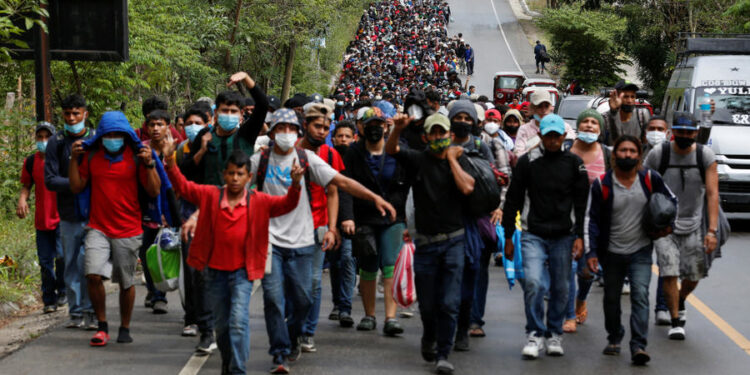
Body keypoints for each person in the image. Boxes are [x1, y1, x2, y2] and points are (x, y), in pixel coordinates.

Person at [250, 108, 395, 373]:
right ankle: (280, 353)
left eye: (290, 129)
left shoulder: (308, 159)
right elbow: (233, 188)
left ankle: (294, 336)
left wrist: (374, 198)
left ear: (298, 132)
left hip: (304, 242)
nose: (285, 134)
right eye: (280, 129)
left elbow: (341, 183)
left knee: (305, 298)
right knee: (272, 298)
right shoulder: (259, 161)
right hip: (269, 242)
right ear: (271, 132)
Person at [165, 148, 303, 375]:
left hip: (242, 273)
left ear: (249, 177)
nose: (235, 178)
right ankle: (228, 365)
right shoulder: (210, 196)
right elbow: (184, 187)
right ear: (224, 175)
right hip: (214, 273)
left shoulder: (259, 201)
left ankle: (237, 370)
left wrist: (296, 185)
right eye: (231, 174)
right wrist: (170, 163)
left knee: (238, 323)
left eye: (240, 174)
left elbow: (287, 204)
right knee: (223, 327)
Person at [387, 112, 476, 375]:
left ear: (450, 135)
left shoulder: (459, 159)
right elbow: (392, 149)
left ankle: (443, 353)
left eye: (442, 133)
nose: (438, 138)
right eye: (433, 133)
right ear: (426, 136)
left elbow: (468, 188)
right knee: (427, 304)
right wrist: (397, 129)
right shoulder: (418, 159)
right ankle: (429, 335)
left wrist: (451, 160)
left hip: (454, 241)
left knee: (449, 302)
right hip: (425, 244)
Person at [68, 111, 162, 346]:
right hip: (97, 227)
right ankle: (102, 325)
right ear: (100, 136)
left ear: (125, 135)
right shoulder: (92, 157)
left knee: (126, 282)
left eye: (117, 134)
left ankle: (125, 326)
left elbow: (154, 191)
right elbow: (77, 187)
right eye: (107, 134)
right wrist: (72, 159)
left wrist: (150, 164)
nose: (112, 138)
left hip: (129, 229)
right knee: (92, 274)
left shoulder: (137, 157)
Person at [502, 114, 588, 359]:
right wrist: (509, 237)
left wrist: (581, 236)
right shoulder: (527, 163)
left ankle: (554, 334)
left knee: (561, 287)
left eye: (556, 136)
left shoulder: (574, 164)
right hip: (533, 234)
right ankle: (535, 333)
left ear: (563, 136)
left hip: (564, 236)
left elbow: (582, 205)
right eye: (547, 135)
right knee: (534, 283)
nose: (552, 140)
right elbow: (513, 200)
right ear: (540, 135)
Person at [585, 135, 676, 365]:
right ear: (615, 155)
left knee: (640, 296)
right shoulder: (602, 184)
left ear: (639, 155)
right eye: (623, 150)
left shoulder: (650, 179)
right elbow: (591, 219)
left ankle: (638, 346)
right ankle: (614, 337)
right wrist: (591, 252)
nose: (627, 155)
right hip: (611, 252)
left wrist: (666, 226)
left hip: (641, 251)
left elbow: (671, 201)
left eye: (632, 151)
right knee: (612, 299)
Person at [643, 112, 719, 341]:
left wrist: (712, 231)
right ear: (672, 132)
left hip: (694, 223)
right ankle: (676, 320)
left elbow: (713, 193)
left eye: (689, 132)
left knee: (694, 274)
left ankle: (681, 298)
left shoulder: (705, 155)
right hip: (665, 225)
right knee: (669, 271)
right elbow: (643, 182)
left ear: (696, 133)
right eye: (680, 132)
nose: (685, 136)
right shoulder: (660, 153)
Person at [342, 107, 411, 336]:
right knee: (368, 267)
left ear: (385, 126)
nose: (374, 129)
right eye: (370, 125)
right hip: (364, 217)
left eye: (379, 125)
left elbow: (410, 184)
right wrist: (348, 217)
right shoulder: (353, 153)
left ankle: (391, 317)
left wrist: (408, 217)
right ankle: (369, 314)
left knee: (391, 265)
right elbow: (345, 186)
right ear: (361, 127)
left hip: (394, 217)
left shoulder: (397, 151)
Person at [44, 94, 96, 330]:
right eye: (68, 114)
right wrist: (77, 183)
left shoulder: (96, 139)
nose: (72, 118)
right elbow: (50, 180)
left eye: (76, 113)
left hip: (94, 213)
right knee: (71, 264)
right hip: (67, 215)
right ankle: (75, 313)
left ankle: (91, 311)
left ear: (85, 114)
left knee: (90, 264)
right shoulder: (56, 142)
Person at [298, 103, 347, 353]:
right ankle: (292, 325)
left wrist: (332, 226)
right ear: (305, 125)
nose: (322, 131)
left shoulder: (330, 154)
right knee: (290, 281)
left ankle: (307, 331)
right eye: (317, 126)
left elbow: (333, 192)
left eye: (326, 128)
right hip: (289, 229)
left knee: (315, 281)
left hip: (318, 226)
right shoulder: (288, 150)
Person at [175, 107, 218, 353]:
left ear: (208, 123)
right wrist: (201, 149)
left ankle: (213, 319)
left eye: (197, 122)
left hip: (216, 218)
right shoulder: (183, 149)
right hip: (188, 217)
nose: (192, 126)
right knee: (193, 272)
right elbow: (183, 175)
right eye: (188, 123)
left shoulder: (219, 145)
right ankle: (193, 319)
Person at [565, 109, 610, 332]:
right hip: (567, 218)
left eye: (594, 123)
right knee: (566, 268)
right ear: (578, 126)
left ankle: (581, 298)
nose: (590, 126)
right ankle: (568, 314)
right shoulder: (566, 149)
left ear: (600, 130)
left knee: (587, 271)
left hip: (595, 221)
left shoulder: (607, 154)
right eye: (586, 122)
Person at [18, 122, 65, 313]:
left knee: (62, 256)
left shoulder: (62, 160)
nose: (43, 141)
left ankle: (63, 290)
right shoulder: (30, 161)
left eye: (47, 137)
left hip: (62, 218)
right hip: (42, 220)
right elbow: (26, 186)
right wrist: (22, 200)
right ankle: (49, 299)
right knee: (45, 262)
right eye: (40, 137)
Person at [139, 109, 172, 314]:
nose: (156, 128)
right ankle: (152, 289)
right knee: (146, 252)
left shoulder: (174, 150)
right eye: (152, 125)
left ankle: (161, 295)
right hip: (145, 208)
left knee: (164, 252)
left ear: (167, 126)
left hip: (169, 208)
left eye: (160, 124)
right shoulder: (142, 149)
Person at [328, 119, 357, 328]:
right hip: (330, 220)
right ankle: (337, 303)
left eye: (347, 136)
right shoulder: (327, 158)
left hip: (352, 220)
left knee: (347, 259)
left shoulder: (357, 159)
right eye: (340, 136)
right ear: (334, 138)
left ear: (354, 138)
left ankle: (346, 307)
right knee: (335, 262)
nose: (344, 140)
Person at [514, 91, 575, 156]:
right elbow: (518, 155)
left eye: (546, 106)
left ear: (551, 107)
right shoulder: (524, 129)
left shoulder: (564, 126)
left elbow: (573, 147)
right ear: (532, 108)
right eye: (539, 106)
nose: (543, 110)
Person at [602, 80, 651, 146]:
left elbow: (647, 142)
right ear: (616, 96)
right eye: (625, 97)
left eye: (632, 97)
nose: (629, 101)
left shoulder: (642, 115)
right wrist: (613, 111)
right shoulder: (606, 118)